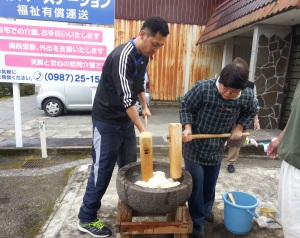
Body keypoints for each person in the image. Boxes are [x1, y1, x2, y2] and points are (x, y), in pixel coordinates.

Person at [77, 16, 169, 237]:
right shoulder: (122, 56)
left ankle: (129, 203)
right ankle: (86, 217)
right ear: (143, 35)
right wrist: (142, 129)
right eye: (155, 44)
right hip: (106, 122)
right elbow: (127, 100)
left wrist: (145, 105)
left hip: (124, 120)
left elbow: (137, 87)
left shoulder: (144, 55)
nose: (156, 49)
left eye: (160, 46)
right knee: (102, 170)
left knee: (128, 167)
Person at [180, 62, 258, 238]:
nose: (228, 94)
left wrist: (239, 127)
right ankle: (197, 221)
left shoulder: (245, 95)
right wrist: (187, 128)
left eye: (234, 92)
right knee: (197, 184)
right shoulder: (203, 88)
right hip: (194, 145)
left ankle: (207, 208)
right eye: (226, 89)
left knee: (210, 182)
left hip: (216, 146)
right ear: (220, 80)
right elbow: (186, 107)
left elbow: (251, 110)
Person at [267, 81, 300, 238]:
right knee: (289, 219)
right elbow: (295, 115)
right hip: (291, 159)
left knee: (295, 224)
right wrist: (280, 139)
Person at [226, 57, 261, 173]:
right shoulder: (225, 81)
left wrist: (256, 119)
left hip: (240, 115)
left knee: (237, 140)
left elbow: (254, 104)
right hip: (225, 112)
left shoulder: (250, 86)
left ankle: (231, 162)